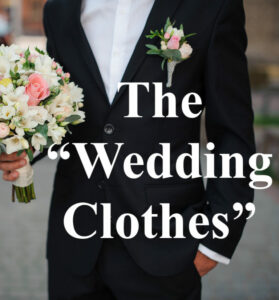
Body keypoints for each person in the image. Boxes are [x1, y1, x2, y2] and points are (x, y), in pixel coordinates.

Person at [0, 0, 255, 299]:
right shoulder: (59, 8)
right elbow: (63, 110)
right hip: (74, 247)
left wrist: (215, 241)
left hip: (165, 247)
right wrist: (25, 144)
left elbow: (232, 132)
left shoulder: (211, 7)